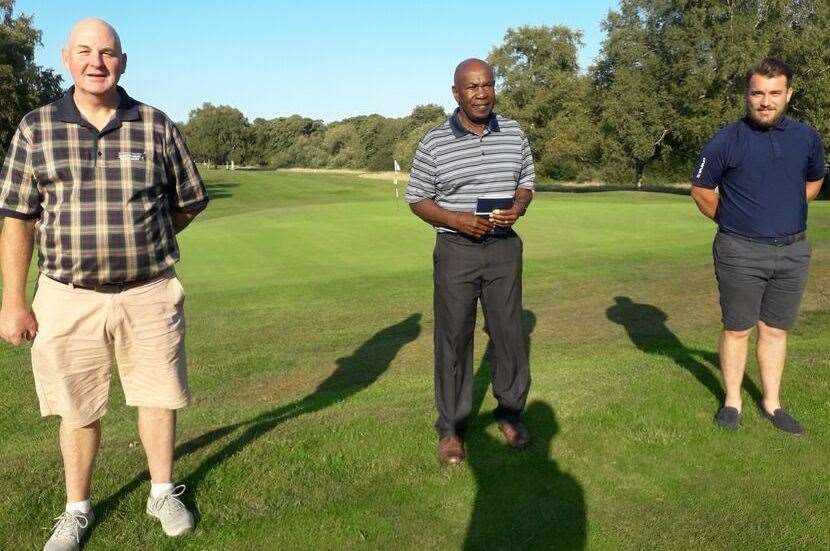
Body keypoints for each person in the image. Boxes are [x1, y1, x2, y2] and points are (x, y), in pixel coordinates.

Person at [0, 18, 209, 549]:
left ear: (123, 61)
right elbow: (18, 219)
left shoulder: (155, 125)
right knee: (76, 407)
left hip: (149, 292)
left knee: (158, 398)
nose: (98, 62)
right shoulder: (36, 127)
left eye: (109, 52)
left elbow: (186, 202)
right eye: (86, 52)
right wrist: (12, 302)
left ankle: (162, 491)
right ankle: (76, 509)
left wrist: (145, 240)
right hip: (67, 296)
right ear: (67, 58)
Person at [406, 58, 535, 465]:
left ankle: (511, 414)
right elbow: (418, 199)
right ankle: (452, 429)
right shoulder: (434, 142)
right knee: (453, 338)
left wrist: (518, 206)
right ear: (457, 93)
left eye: (488, 86)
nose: (481, 94)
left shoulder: (514, 133)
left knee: (509, 334)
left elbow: (526, 182)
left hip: (503, 248)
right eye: (472, 87)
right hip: (456, 251)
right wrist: (455, 218)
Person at [691, 57, 825, 435]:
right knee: (737, 329)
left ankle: (772, 402)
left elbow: (814, 180)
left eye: (774, 93)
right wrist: (734, 220)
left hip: (793, 251)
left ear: (788, 94)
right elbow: (701, 190)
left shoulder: (806, 138)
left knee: (776, 329)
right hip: (739, 250)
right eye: (758, 93)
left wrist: (787, 210)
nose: (765, 101)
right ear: (748, 95)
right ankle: (733, 401)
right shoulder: (726, 140)